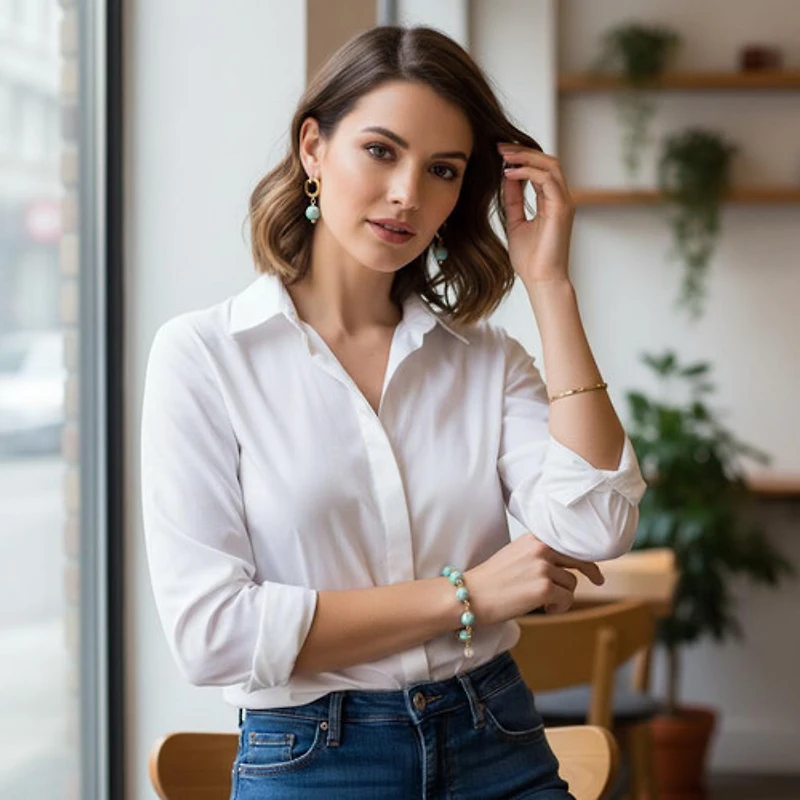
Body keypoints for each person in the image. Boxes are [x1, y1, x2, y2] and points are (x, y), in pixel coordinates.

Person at [141, 25, 647, 800]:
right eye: (381, 150)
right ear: (314, 148)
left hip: (498, 741)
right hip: (313, 760)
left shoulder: (486, 362)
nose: (410, 193)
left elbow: (597, 526)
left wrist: (549, 285)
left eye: (442, 170)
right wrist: (471, 594)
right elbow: (215, 636)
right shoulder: (204, 357)